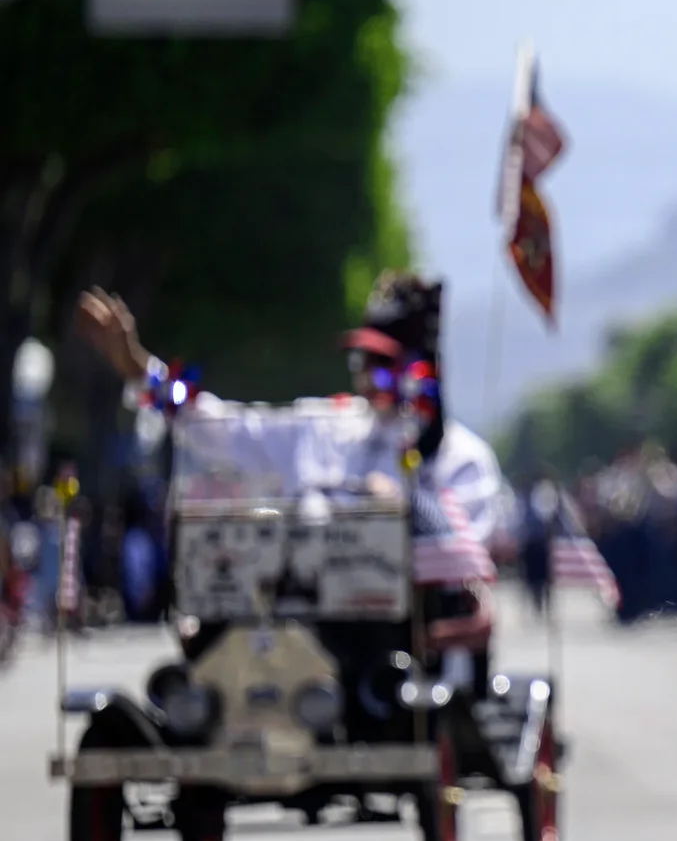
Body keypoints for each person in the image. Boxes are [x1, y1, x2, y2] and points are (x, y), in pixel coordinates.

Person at [74, 272, 511, 665]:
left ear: (423, 370)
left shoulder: (462, 458)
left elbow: (459, 568)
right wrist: (137, 367)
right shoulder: (323, 426)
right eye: (362, 362)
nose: (367, 377)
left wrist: (397, 509)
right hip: (296, 634)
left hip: (399, 647)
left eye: (385, 366)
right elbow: (216, 427)